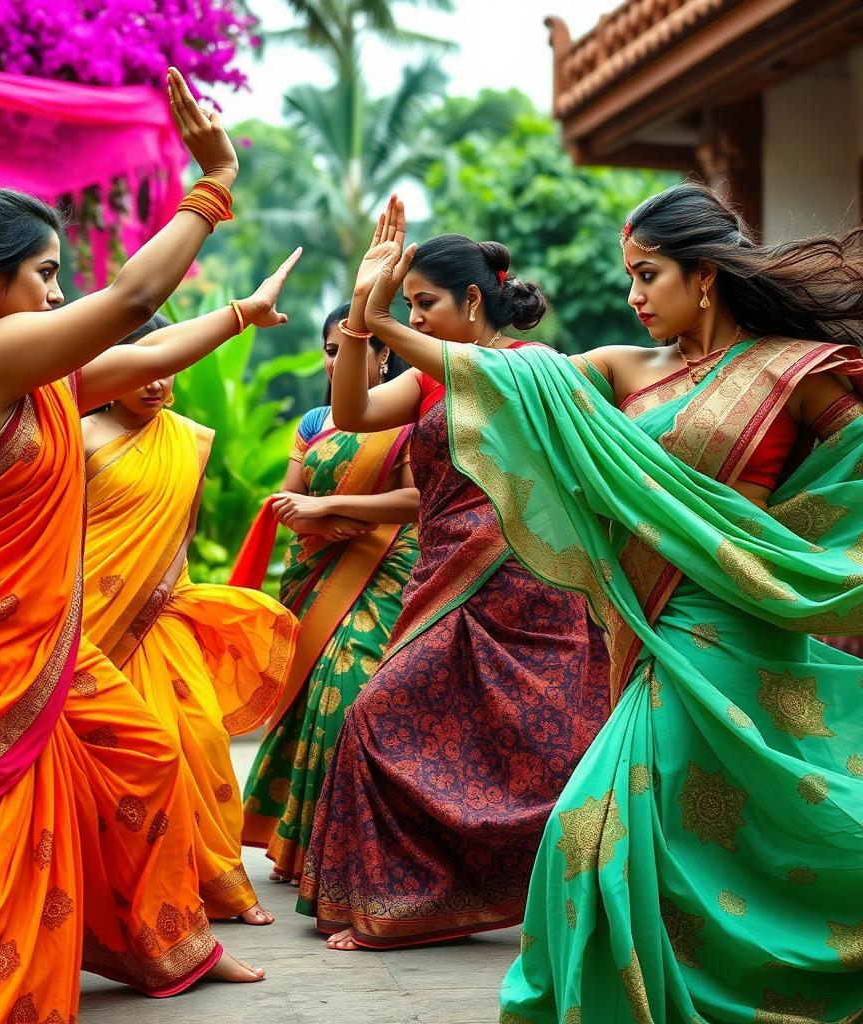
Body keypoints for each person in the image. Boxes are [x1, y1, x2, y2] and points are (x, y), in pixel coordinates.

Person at [0, 68, 300, 1020]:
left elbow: (140, 352)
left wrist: (240, 316)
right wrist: (211, 185)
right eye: (45, 274)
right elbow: (132, 302)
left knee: (136, 752)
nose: (57, 292)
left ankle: (155, 940)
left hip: (21, 627)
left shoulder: (22, 366)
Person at [361, 184, 863, 1019]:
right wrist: (374, 319)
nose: (632, 296)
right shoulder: (623, 370)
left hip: (740, 627)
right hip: (654, 630)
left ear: (704, 277)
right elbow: (503, 376)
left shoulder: (794, 371)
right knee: (605, 834)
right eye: (628, 276)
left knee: (719, 831)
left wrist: (800, 554)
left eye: (648, 274)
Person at [295, 199, 611, 950]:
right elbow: (349, 410)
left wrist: (376, 312)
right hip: (447, 584)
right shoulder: (428, 382)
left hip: (529, 587)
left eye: (426, 303)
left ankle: (584, 888)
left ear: (473, 301)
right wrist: (365, 309)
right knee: (382, 720)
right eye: (412, 306)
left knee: (553, 748)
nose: (419, 317)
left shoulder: (524, 369)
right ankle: (416, 900)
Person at [80, 314, 299, 927]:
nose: (157, 381)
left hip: (164, 615)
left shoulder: (191, 438)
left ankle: (215, 882)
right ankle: (127, 892)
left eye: (168, 367)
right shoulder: (78, 435)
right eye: (144, 367)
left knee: (199, 743)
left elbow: (178, 533)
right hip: (90, 620)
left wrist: (164, 592)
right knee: (121, 756)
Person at [237, 302, 420, 882]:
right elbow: (291, 501)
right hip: (316, 574)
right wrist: (318, 521)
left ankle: (343, 843)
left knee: (347, 691)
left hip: (384, 569)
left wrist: (335, 507)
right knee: (305, 696)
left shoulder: (411, 419)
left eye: (356, 349)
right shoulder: (315, 423)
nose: (338, 359)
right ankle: (297, 843)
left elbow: (417, 502)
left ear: (385, 354)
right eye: (332, 349)